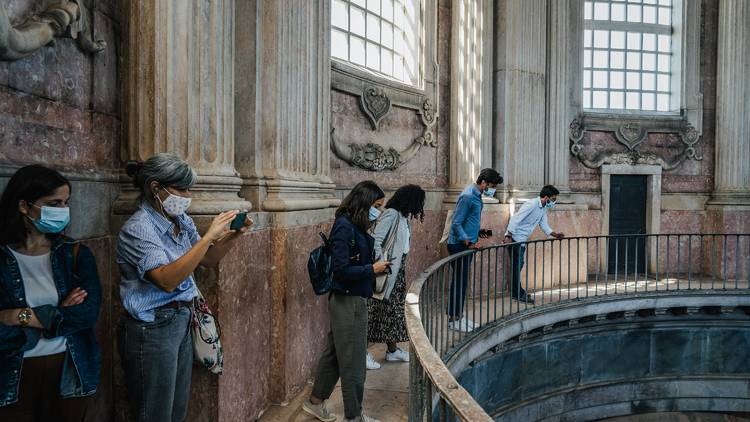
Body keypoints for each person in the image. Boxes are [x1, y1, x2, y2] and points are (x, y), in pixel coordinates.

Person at [116, 154, 252, 422]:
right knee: (154, 412)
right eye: (182, 188)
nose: (188, 195)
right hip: (151, 329)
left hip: (180, 319)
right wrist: (209, 236)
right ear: (156, 188)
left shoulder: (182, 221)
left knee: (176, 410)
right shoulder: (138, 228)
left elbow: (208, 260)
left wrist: (234, 234)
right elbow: (167, 280)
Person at [0, 165, 102, 421]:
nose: (63, 210)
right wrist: (57, 315)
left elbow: (87, 314)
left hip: (68, 369)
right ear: (24, 206)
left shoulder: (75, 254)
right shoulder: (3, 258)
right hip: (12, 372)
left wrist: (17, 316)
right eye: (54, 203)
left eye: (66, 202)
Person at [303, 181, 390, 422]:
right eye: (376, 206)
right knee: (353, 363)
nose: (379, 211)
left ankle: (315, 402)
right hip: (347, 300)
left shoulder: (355, 226)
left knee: (334, 354)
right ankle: (354, 416)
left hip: (353, 298)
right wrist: (372, 268)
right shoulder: (344, 227)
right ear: (363, 203)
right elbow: (340, 270)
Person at [365, 184, 426, 370]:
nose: (421, 205)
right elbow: (375, 239)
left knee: (392, 314)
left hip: (397, 272)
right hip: (385, 271)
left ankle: (392, 351)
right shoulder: (391, 214)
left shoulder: (403, 217)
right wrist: (380, 263)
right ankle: (363, 353)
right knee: (374, 312)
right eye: (419, 201)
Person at [446, 168, 502, 333]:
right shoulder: (468, 196)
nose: (492, 190)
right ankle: (454, 319)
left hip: (466, 243)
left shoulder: (476, 195)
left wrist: (477, 235)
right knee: (459, 282)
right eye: (491, 186)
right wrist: (468, 242)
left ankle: (458, 317)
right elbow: (456, 223)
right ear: (483, 182)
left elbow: (469, 221)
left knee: (461, 281)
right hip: (459, 245)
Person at [503, 185, 565, 304]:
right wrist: (508, 236)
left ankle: (517, 292)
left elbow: (544, 224)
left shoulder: (542, 208)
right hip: (515, 239)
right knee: (517, 266)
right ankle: (518, 293)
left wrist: (555, 234)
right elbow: (516, 218)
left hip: (522, 240)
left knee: (518, 266)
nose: (554, 202)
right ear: (546, 197)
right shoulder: (531, 204)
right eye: (553, 199)